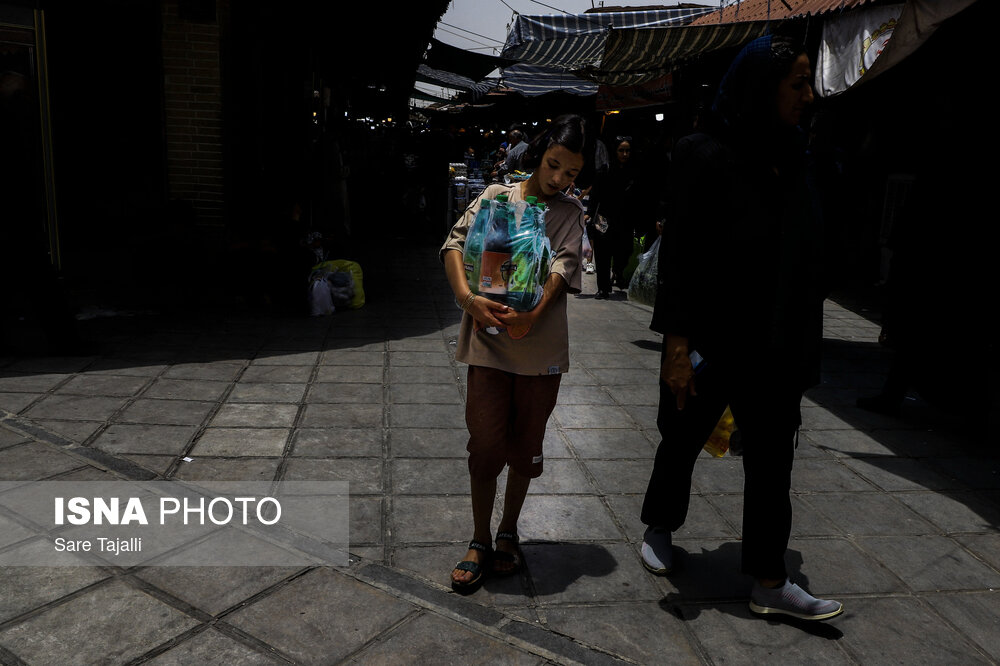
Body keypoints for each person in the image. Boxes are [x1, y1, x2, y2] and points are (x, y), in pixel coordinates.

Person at [639, 34, 844, 621]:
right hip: (712, 338)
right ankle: (659, 526)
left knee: (774, 459)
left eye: (810, 81)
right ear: (762, 87)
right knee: (682, 438)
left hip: (776, 344)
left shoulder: (797, 156)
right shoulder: (703, 153)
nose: (809, 94)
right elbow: (680, 258)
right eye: (797, 83)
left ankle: (769, 579)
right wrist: (676, 349)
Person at [440, 115, 587, 592]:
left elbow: (563, 269)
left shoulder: (569, 213)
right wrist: (468, 299)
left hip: (538, 349)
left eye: (570, 174)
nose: (559, 180)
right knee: (484, 446)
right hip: (489, 343)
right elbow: (454, 244)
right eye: (553, 166)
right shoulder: (496, 197)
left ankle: (508, 531)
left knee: (525, 448)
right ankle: (479, 537)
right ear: (539, 154)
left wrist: (532, 314)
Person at [586, 136, 646, 299]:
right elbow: (595, 194)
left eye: (628, 151)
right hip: (603, 218)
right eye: (621, 150)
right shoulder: (605, 170)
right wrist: (589, 213)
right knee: (602, 253)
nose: (625, 154)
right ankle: (603, 288)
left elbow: (641, 197)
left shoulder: (636, 172)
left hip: (625, 218)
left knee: (624, 251)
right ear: (615, 151)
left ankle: (618, 272)